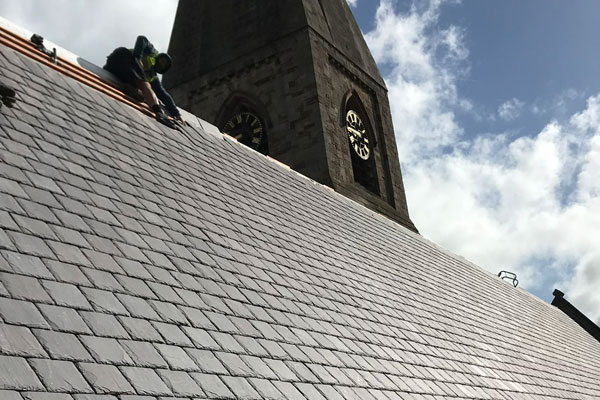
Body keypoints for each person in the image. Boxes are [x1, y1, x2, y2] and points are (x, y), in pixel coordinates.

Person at [104, 36, 183, 127]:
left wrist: (176, 114)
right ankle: (159, 112)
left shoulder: (152, 77)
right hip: (122, 57)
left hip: (121, 73)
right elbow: (142, 39)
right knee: (145, 85)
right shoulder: (152, 52)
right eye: (162, 60)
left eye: (164, 65)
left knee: (141, 95)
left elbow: (164, 95)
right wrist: (138, 56)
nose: (162, 63)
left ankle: (129, 88)